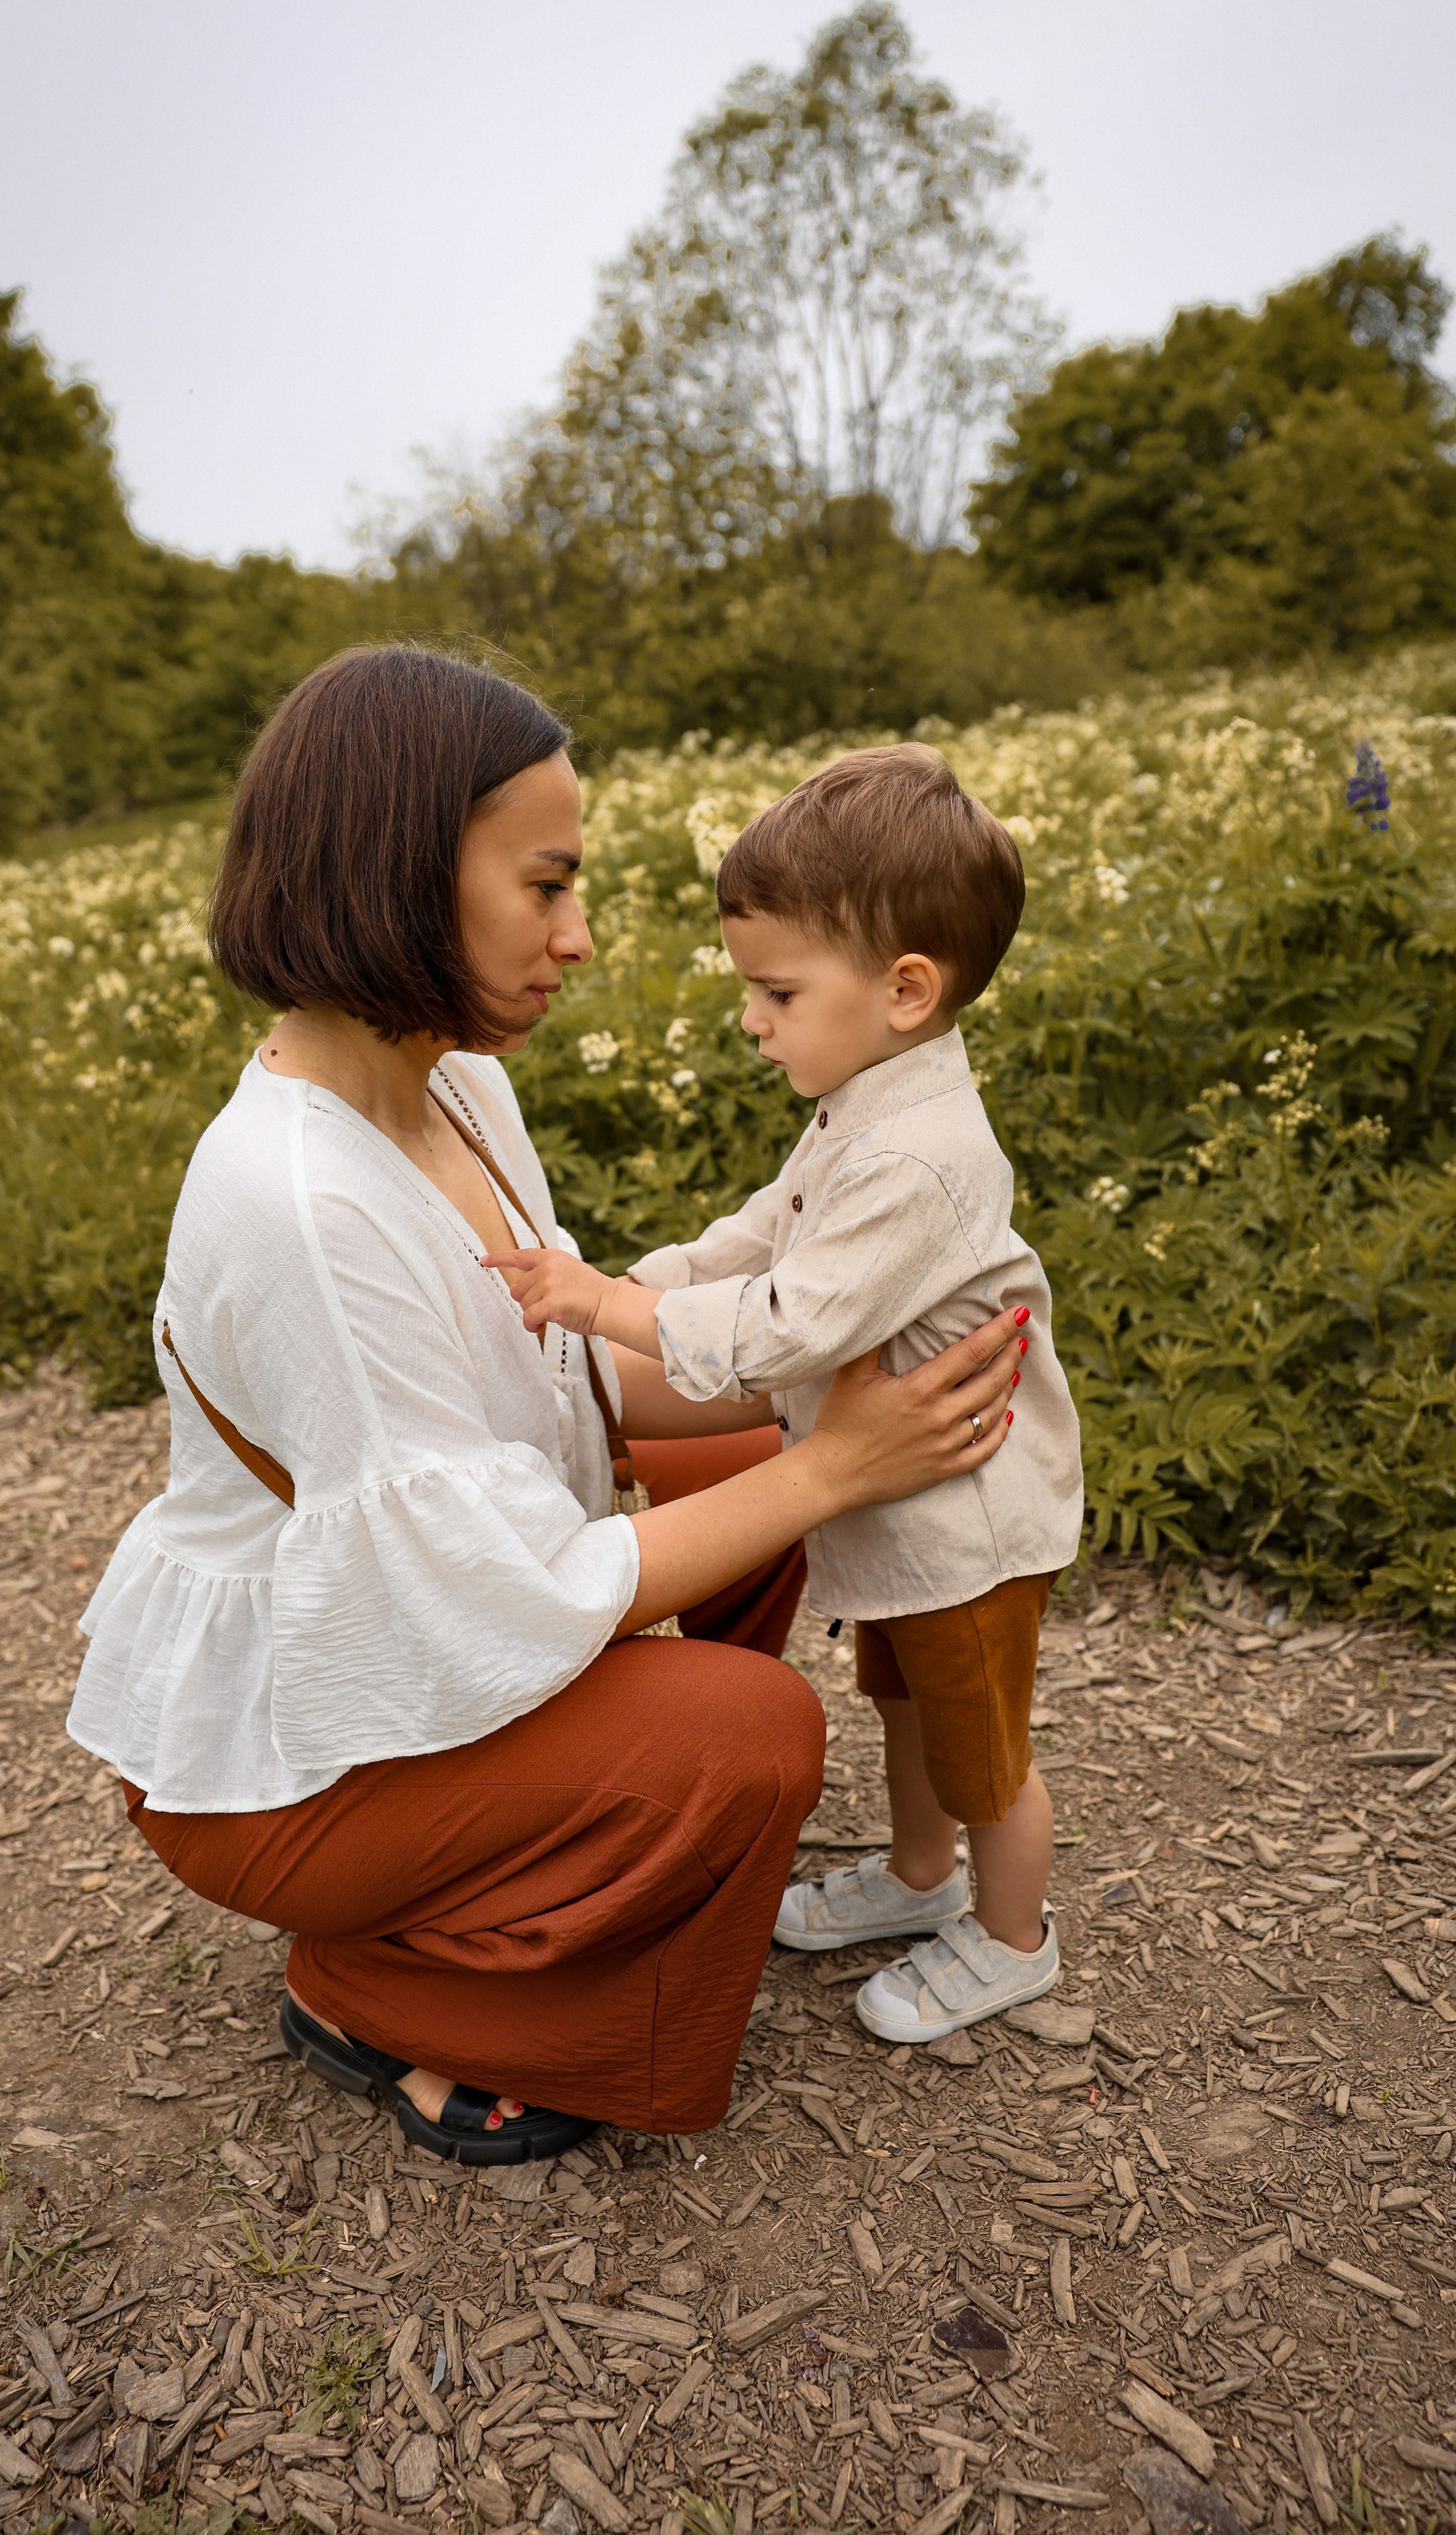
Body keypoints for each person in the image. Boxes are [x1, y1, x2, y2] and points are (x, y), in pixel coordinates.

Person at [67, 656, 1024, 2163]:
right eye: (547, 884)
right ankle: (390, 1984)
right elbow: (497, 1583)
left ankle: (521, 1873)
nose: (578, 940)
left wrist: (816, 1401)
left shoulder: (451, 1086)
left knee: (747, 1434)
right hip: (285, 1761)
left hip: (395, 1639)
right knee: (749, 1736)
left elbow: (572, 1374)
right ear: (395, 872)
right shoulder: (302, 1199)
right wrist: (839, 1464)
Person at [489, 743, 1084, 2046]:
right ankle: (923, 1886)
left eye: (774, 989)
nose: (751, 1019)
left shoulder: (917, 1158)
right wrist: (636, 1286)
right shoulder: (860, 1103)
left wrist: (609, 1311)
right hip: (903, 1507)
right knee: (905, 1705)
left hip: (965, 1518)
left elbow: (787, 1324)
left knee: (984, 1756)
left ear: (904, 990)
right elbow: (762, 1234)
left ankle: (1009, 1938)